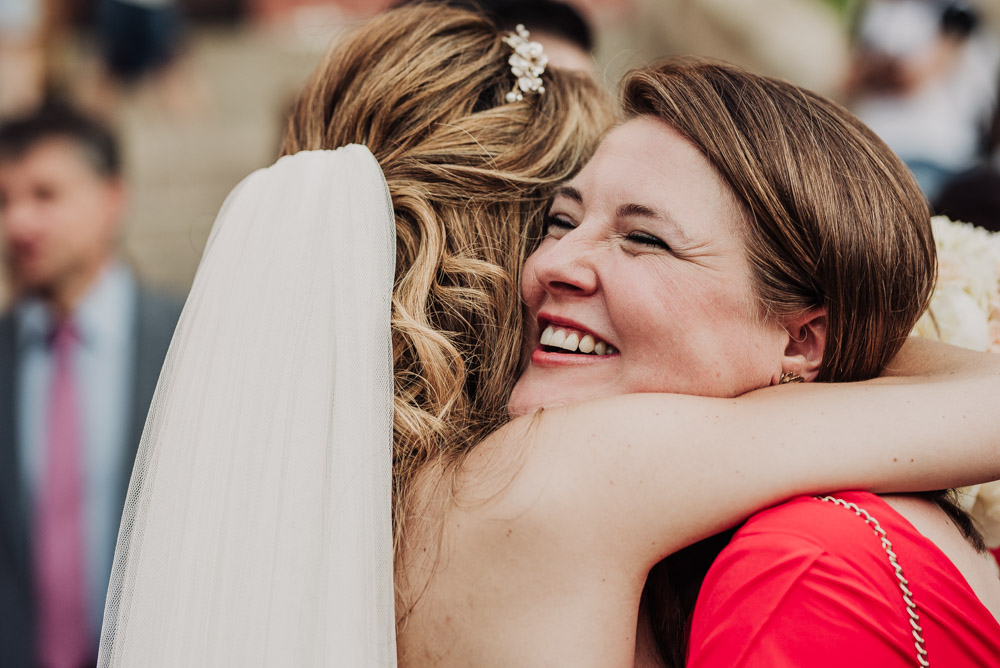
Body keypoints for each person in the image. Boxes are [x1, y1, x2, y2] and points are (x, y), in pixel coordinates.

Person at [98, 5, 1000, 667]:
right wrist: (841, 326)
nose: (557, 263)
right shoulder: (554, 472)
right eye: (556, 221)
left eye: (638, 235)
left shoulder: (316, 487)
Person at [0, 103, 182, 668]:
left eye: (45, 195)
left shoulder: (183, 342)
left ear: (112, 197)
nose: (18, 223)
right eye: (3, 201)